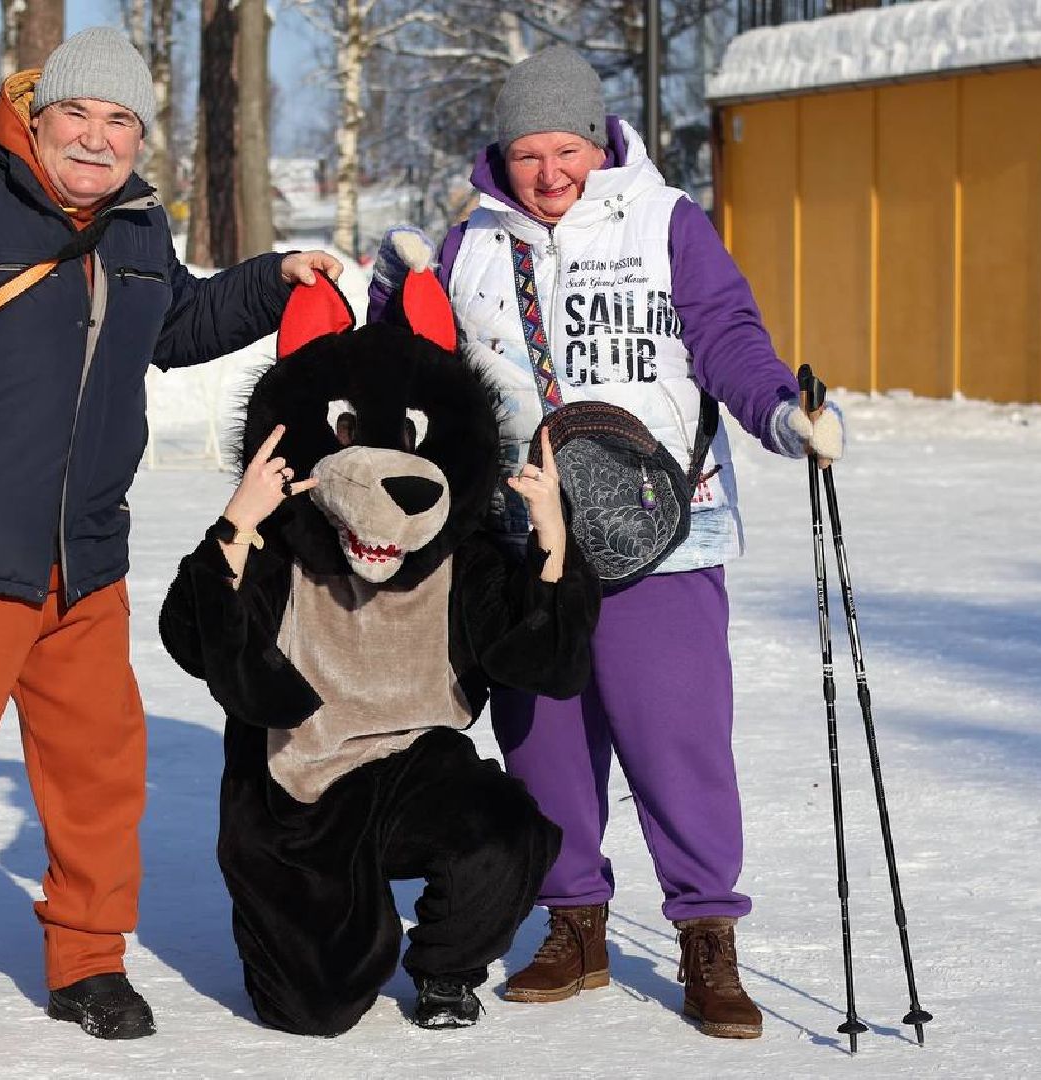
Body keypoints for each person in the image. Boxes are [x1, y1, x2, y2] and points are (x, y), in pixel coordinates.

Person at [0, 26, 341, 1046]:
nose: (96, 138)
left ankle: (88, 959)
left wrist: (272, 281)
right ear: (35, 118)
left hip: (82, 553)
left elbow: (170, 329)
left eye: (119, 121)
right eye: (77, 117)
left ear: (139, 135)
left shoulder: (134, 223)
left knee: (98, 772)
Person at [368, 45, 844, 1040]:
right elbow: (403, 364)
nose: (551, 174)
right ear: (503, 153)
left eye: (568, 149)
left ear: (600, 139)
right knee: (542, 743)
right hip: (517, 536)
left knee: (676, 739)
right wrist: (391, 282)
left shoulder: (667, 223)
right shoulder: (468, 245)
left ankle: (706, 936)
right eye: (531, 153)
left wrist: (781, 416)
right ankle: (572, 924)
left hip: (662, 529)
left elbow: (726, 336)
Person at [157, 268, 597, 1035]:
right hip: (296, 786)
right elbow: (196, 644)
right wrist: (236, 524)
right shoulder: (274, 543)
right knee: (311, 1011)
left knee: (503, 832)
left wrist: (552, 539)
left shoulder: (463, 556)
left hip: (414, 765)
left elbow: (541, 660)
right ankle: (332, 934)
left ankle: (447, 968)